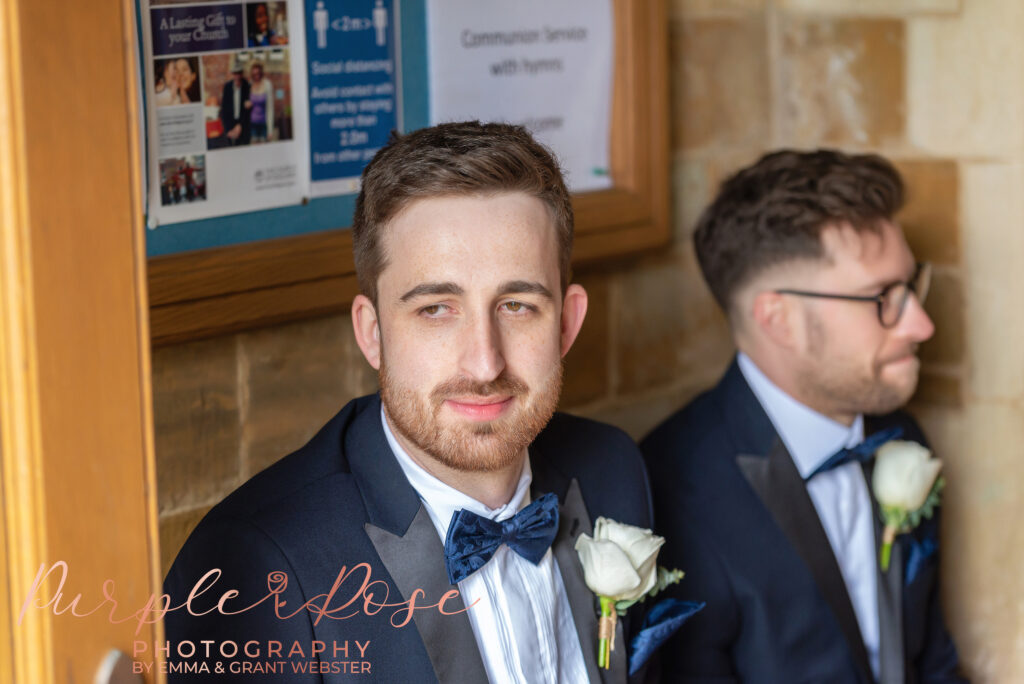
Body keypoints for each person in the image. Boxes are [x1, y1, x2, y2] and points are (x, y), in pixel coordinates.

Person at [163, 122, 666, 682]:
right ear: (373, 332)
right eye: (435, 310)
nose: (484, 364)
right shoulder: (253, 568)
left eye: (518, 305)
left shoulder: (613, 469)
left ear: (568, 323)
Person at [642, 150, 966, 683]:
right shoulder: (670, 492)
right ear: (779, 319)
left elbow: (933, 664)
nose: (921, 324)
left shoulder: (901, 437)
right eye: (883, 296)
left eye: (911, 285)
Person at [218, 63, 251, 147]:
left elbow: (247, 110)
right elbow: (224, 109)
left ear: (242, 74)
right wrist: (228, 129)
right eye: (235, 73)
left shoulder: (247, 86)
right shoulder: (228, 87)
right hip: (230, 122)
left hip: (242, 122)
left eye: (239, 73)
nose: (237, 76)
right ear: (233, 74)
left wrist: (240, 126)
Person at [247, 61, 274, 143]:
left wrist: (270, 130)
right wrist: (246, 104)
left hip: (263, 124)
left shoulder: (267, 85)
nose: (256, 76)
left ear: (261, 72)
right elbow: (245, 103)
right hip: (252, 124)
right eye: (254, 74)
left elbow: (270, 108)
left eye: (258, 73)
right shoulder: (249, 85)